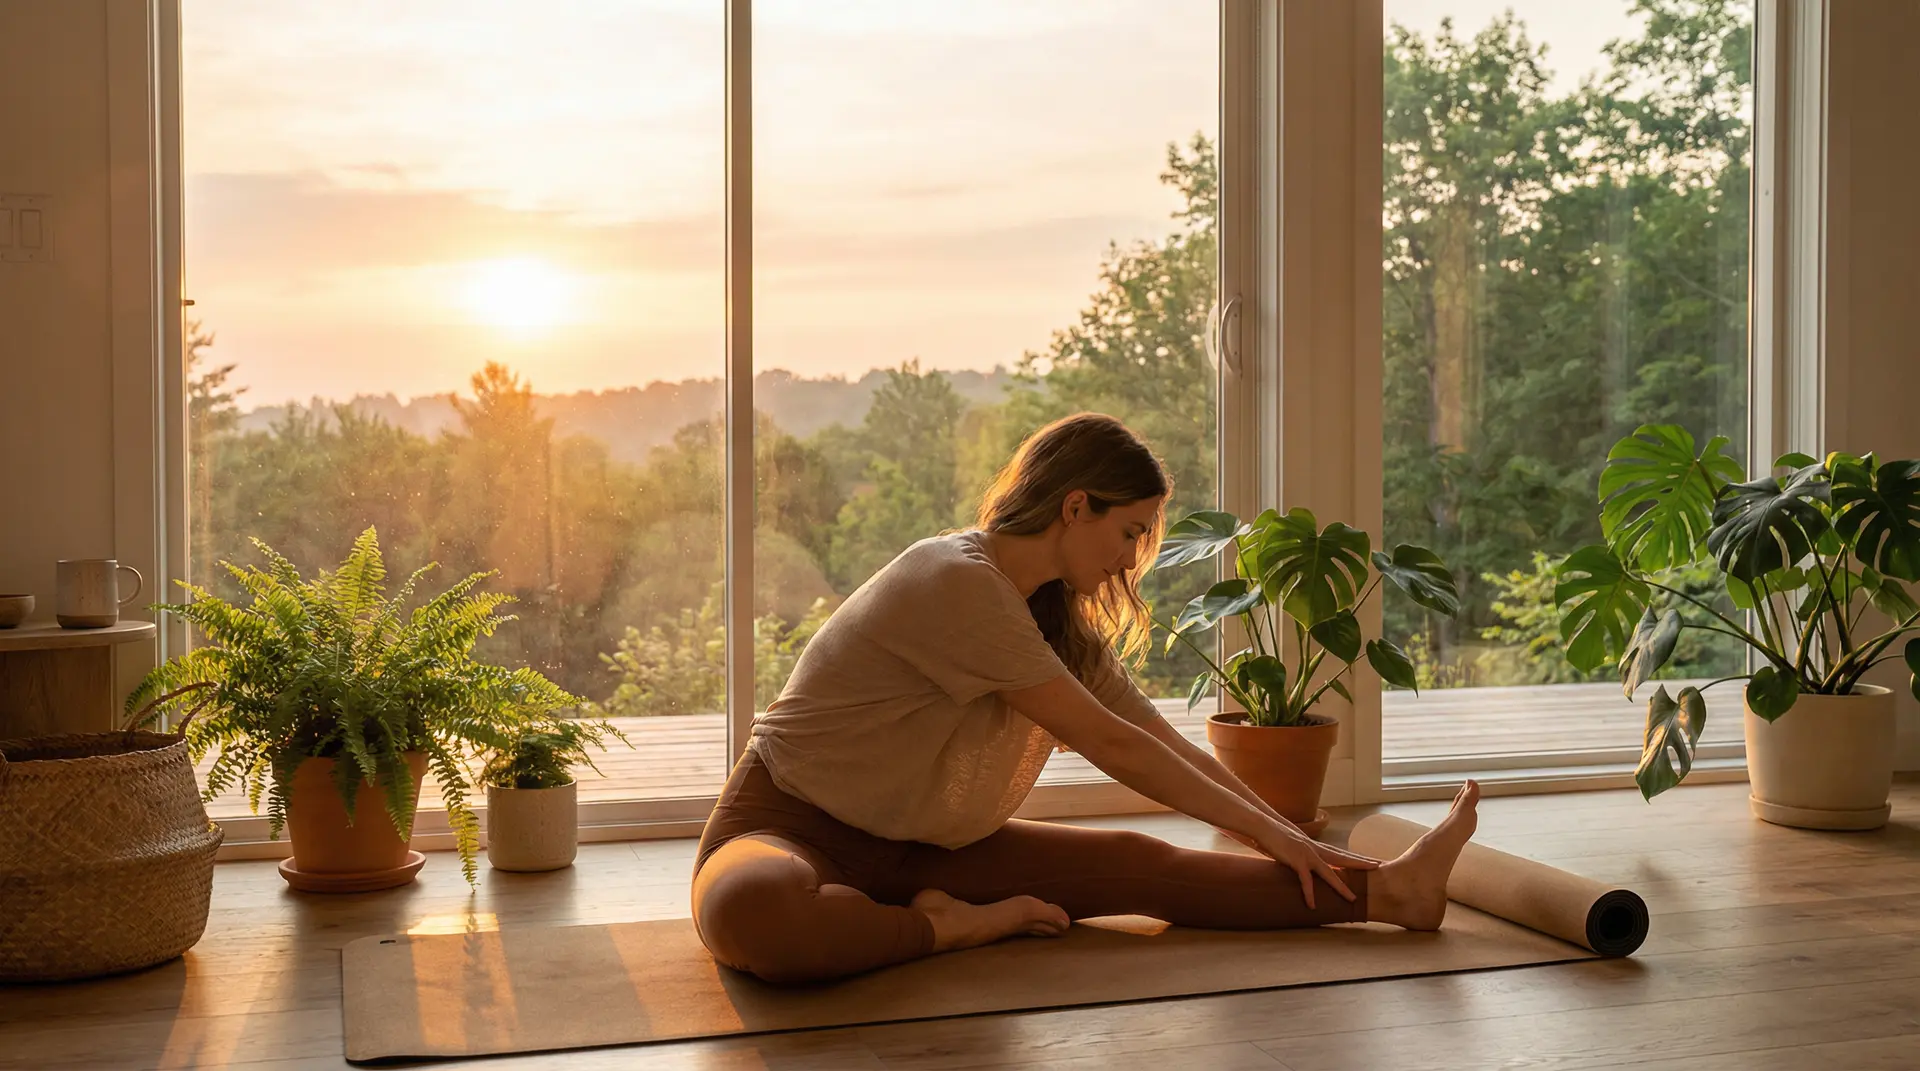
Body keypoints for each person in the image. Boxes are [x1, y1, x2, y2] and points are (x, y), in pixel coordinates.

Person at [691, 413, 1480, 985]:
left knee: (1140, 866)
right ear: (1076, 505)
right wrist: (1275, 836)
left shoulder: (1050, 613)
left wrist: (1288, 834)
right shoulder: (956, 581)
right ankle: (947, 927)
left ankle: (1393, 890)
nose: (1131, 557)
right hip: (791, 824)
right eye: (1130, 531)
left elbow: (1153, 734)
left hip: (929, 852)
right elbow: (1115, 747)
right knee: (756, 911)